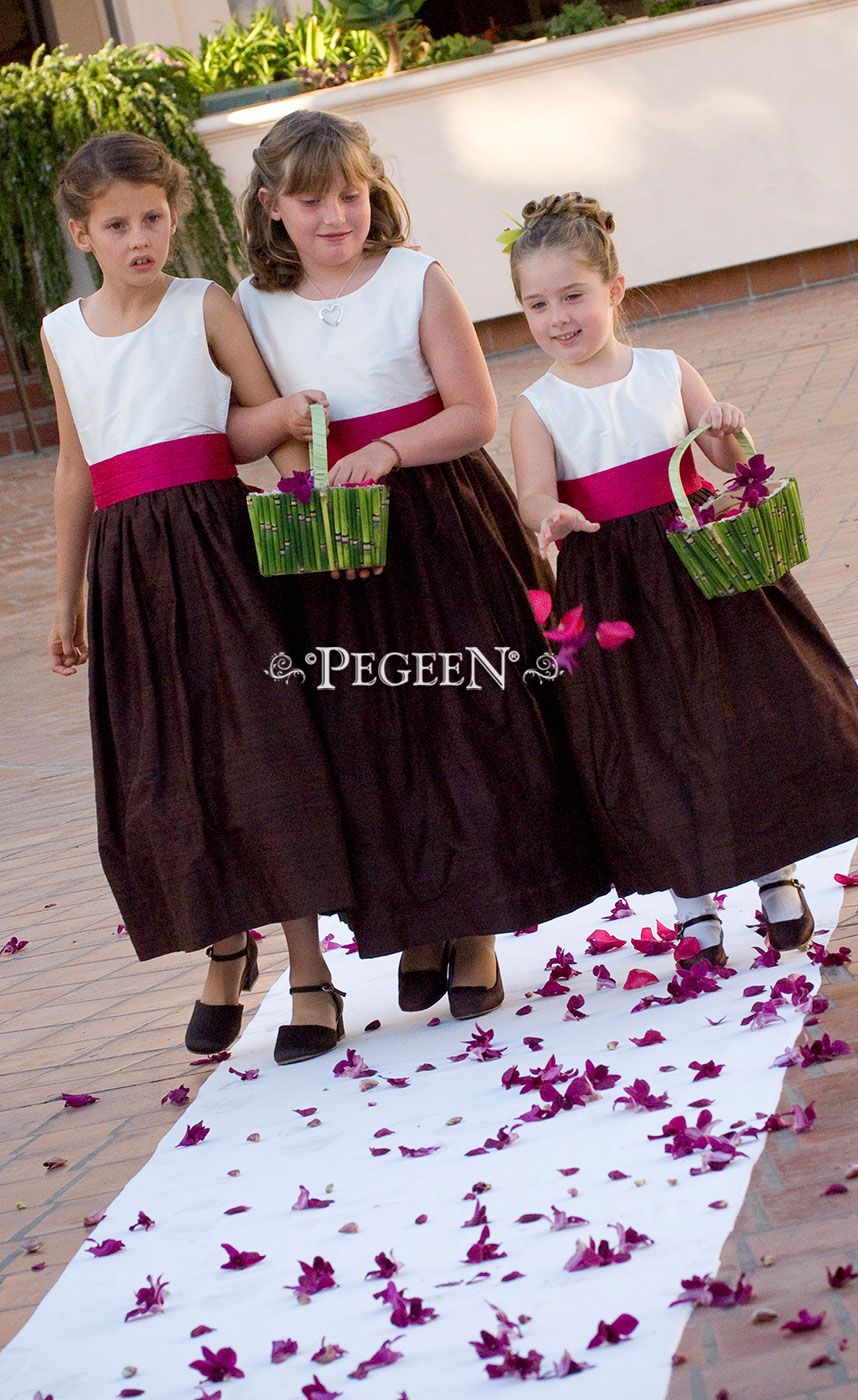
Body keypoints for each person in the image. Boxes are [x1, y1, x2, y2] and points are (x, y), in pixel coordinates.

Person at [232, 111, 609, 1019]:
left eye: (353, 194)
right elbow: (257, 430)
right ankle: (421, 921)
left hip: (438, 520)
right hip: (337, 545)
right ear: (272, 206)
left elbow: (475, 412)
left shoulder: (415, 278)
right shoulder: (249, 305)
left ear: (376, 191)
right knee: (369, 731)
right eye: (313, 200)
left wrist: (391, 454)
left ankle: (475, 925)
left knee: (459, 718)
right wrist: (316, 499)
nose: (337, 216)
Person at [506, 192, 858, 965]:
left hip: (699, 563)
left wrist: (728, 426)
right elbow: (530, 493)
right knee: (654, 733)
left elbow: (728, 460)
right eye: (536, 304)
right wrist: (549, 514)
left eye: (574, 296)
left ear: (614, 290)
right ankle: (691, 900)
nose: (558, 318)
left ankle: (774, 872)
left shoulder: (665, 370)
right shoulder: (537, 406)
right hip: (609, 580)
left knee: (737, 713)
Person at [42, 131, 355, 1064]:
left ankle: (308, 968)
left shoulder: (202, 305)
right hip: (131, 568)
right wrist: (67, 599)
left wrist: (317, 516)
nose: (141, 237)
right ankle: (223, 950)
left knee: (264, 750)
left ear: (174, 215)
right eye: (117, 223)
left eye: (153, 216)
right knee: (165, 769)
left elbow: (269, 425)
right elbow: (74, 468)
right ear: (82, 233)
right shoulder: (64, 332)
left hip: (219, 551)